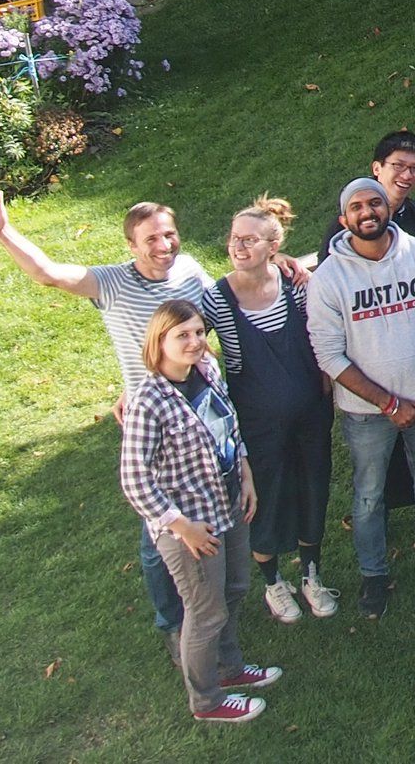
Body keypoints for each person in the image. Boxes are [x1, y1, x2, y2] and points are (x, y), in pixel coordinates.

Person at [0, 193, 217, 656]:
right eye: (151, 239)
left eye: (169, 234)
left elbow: (225, 302)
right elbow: (48, 273)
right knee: (159, 523)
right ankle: (172, 622)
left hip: (197, 403)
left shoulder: (189, 270)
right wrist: (4, 232)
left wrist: (282, 261)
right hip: (152, 416)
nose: (163, 245)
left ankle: (209, 602)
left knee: (203, 499)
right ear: (131, 245)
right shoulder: (112, 283)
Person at [308, 177, 415, 618]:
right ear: (344, 219)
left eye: (374, 203)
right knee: (368, 495)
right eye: (357, 207)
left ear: (388, 209)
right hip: (366, 413)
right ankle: (374, 574)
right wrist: (388, 403)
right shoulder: (328, 279)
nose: (367, 212)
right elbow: (329, 354)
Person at [120, 300, 281, 724]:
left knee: (234, 589)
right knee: (205, 612)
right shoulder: (148, 401)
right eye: (182, 335)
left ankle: (230, 669)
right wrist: (182, 527)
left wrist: (246, 474)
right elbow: (135, 480)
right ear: (159, 342)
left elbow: (229, 426)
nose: (194, 342)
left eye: (197, 332)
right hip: (191, 524)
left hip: (228, 502)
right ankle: (207, 702)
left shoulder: (208, 371)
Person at [199, 197, 335, 625]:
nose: (239, 247)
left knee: (313, 487)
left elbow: (321, 331)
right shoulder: (216, 299)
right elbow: (183, 340)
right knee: (265, 498)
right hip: (257, 424)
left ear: (273, 247)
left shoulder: (297, 285)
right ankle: (273, 581)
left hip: (311, 413)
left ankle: (311, 574)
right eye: (234, 239)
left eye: (250, 240)